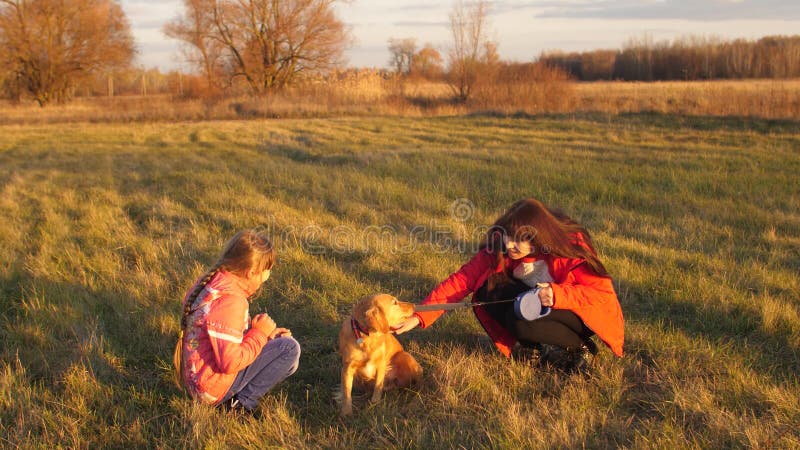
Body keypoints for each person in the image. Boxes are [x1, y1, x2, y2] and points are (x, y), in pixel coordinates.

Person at [394, 197, 624, 372]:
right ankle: (535, 347)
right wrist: (420, 314)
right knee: (489, 289)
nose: (510, 245)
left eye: (519, 239)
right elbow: (463, 280)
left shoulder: (568, 247)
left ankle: (580, 348)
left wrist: (557, 295)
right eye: (507, 236)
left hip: (579, 314)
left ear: (538, 237)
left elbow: (601, 296)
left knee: (522, 321)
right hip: (536, 305)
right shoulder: (500, 247)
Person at [173, 229, 300, 413]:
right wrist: (258, 334)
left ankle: (234, 399)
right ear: (251, 272)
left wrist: (266, 337)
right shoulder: (231, 301)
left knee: (283, 348)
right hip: (211, 387)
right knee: (289, 349)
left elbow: (224, 341)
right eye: (266, 272)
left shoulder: (213, 285)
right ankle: (238, 405)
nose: (267, 277)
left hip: (198, 381)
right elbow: (230, 362)